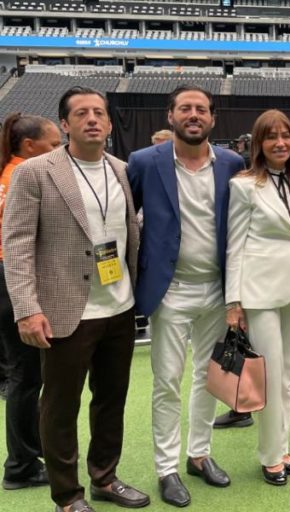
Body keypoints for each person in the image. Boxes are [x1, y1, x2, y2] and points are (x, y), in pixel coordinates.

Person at [3, 86, 150, 512]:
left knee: (111, 399)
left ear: (108, 123)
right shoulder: (36, 171)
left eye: (99, 113)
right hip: (66, 308)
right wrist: (27, 309)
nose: (92, 120)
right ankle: (67, 495)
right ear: (64, 124)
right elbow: (17, 243)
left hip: (120, 306)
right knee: (60, 406)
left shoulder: (122, 170)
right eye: (82, 113)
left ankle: (105, 477)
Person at [127, 85, 244, 507]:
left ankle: (199, 455)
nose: (193, 115)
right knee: (167, 381)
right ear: (171, 115)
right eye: (185, 108)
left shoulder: (232, 163)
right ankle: (166, 468)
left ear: (212, 118)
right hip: (169, 290)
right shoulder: (143, 162)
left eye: (201, 109)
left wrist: (237, 293)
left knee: (208, 379)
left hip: (217, 289)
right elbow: (126, 221)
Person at [225, 109, 290, 486]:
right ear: (258, 144)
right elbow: (234, 245)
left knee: (288, 374)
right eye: (271, 137)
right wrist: (234, 301)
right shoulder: (243, 185)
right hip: (259, 292)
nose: (280, 143)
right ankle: (270, 455)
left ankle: (283, 445)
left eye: (286, 136)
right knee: (270, 375)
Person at [0, 112, 61, 491]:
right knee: (25, 376)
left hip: (4, 280)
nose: (58, 151)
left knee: (21, 374)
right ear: (29, 145)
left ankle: (28, 451)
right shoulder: (25, 177)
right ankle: (20, 465)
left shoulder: (6, 173)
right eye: (53, 145)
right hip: (12, 279)